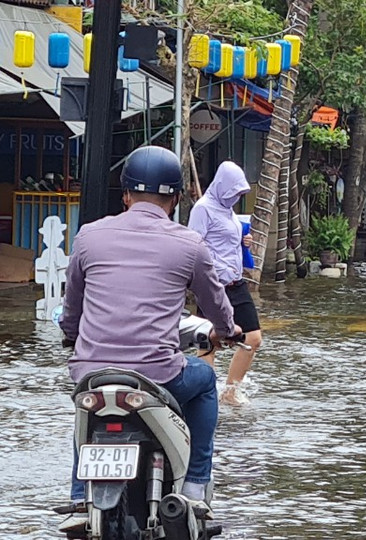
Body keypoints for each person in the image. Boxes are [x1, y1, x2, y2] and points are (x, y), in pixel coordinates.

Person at [58, 146, 242, 531]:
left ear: (125, 195)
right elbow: (217, 305)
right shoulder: (189, 245)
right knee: (206, 380)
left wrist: (72, 336)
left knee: (85, 409)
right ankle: (194, 485)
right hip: (159, 374)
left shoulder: (89, 237)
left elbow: (71, 307)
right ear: (175, 199)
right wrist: (227, 332)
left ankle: (79, 496)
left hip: (92, 372)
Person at [188, 161, 263, 407]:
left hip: (236, 281)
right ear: (222, 186)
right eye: (234, 192)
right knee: (210, 339)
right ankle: (205, 392)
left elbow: (227, 239)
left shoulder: (228, 210)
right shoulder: (203, 209)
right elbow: (194, 246)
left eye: (239, 194)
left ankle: (231, 390)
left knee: (253, 337)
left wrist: (245, 240)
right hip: (213, 285)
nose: (236, 197)